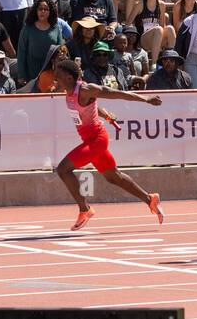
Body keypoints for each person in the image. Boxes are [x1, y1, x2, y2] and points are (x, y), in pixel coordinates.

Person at [52, 58, 165, 232]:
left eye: (57, 77)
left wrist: (146, 99)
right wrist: (105, 115)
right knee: (114, 177)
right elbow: (90, 107)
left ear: (68, 77)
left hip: (97, 139)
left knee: (63, 169)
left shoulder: (86, 89)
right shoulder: (71, 92)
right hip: (90, 139)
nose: (54, 80)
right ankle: (150, 199)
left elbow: (115, 93)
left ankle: (85, 209)